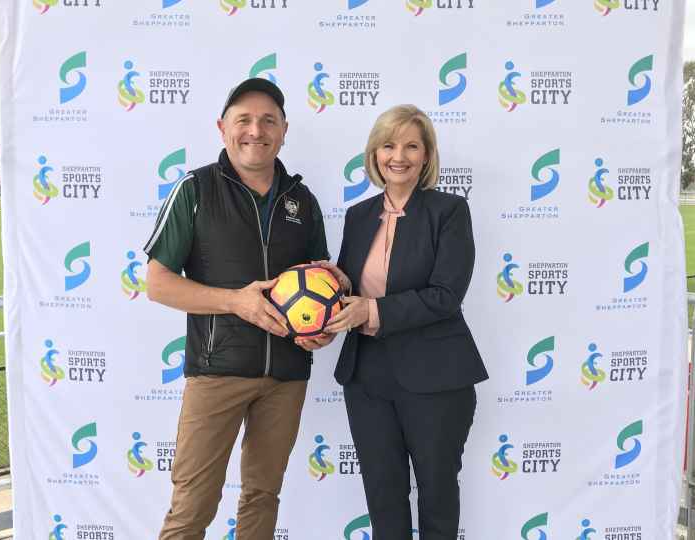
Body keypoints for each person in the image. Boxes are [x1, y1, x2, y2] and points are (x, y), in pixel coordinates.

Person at [143, 78, 331, 540]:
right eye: (243, 119)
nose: (255, 130)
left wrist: (322, 328)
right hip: (216, 371)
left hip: (287, 374)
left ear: (284, 130)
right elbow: (158, 283)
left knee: (262, 498)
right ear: (222, 128)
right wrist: (234, 302)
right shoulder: (195, 189)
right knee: (193, 505)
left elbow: (322, 281)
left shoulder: (302, 201)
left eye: (268, 120)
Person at [320, 104, 488, 539]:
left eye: (412, 146)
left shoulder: (449, 211)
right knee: (382, 495)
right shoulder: (359, 216)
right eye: (388, 145)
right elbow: (354, 289)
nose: (399, 156)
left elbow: (446, 296)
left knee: (437, 494)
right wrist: (329, 288)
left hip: (435, 376)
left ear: (427, 155)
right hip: (366, 376)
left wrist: (372, 310)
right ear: (374, 154)